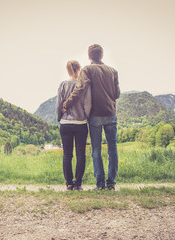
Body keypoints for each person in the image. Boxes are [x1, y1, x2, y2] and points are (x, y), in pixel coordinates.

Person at [63, 44, 120, 190]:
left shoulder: (87, 70)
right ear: (101, 55)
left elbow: (80, 89)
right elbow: (117, 94)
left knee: (96, 150)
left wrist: (67, 103)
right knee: (112, 149)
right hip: (111, 114)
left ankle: (100, 184)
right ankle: (111, 183)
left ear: (89, 57)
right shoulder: (113, 71)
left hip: (95, 115)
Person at [56, 60, 91, 190]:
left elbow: (59, 104)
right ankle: (78, 183)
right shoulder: (84, 85)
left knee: (67, 154)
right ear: (79, 68)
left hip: (65, 123)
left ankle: (69, 183)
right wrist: (86, 117)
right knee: (80, 154)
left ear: (68, 70)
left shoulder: (63, 85)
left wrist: (60, 118)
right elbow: (87, 104)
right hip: (80, 123)